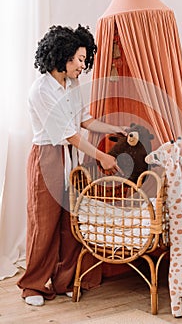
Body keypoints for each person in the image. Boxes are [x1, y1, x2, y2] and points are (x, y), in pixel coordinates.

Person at [17, 25, 127, 306]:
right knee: (44, 224)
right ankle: (33, 286)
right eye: (79, 59)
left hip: (71, 156)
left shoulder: (72, 84)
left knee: (70, 222)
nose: (82, 65)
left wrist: (117, 128)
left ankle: (65, 280)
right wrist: (101, 157)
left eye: (84, 59)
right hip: (48, 157)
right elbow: (69, 134)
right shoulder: (41, 90)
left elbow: (84, 120)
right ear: (63, 56)